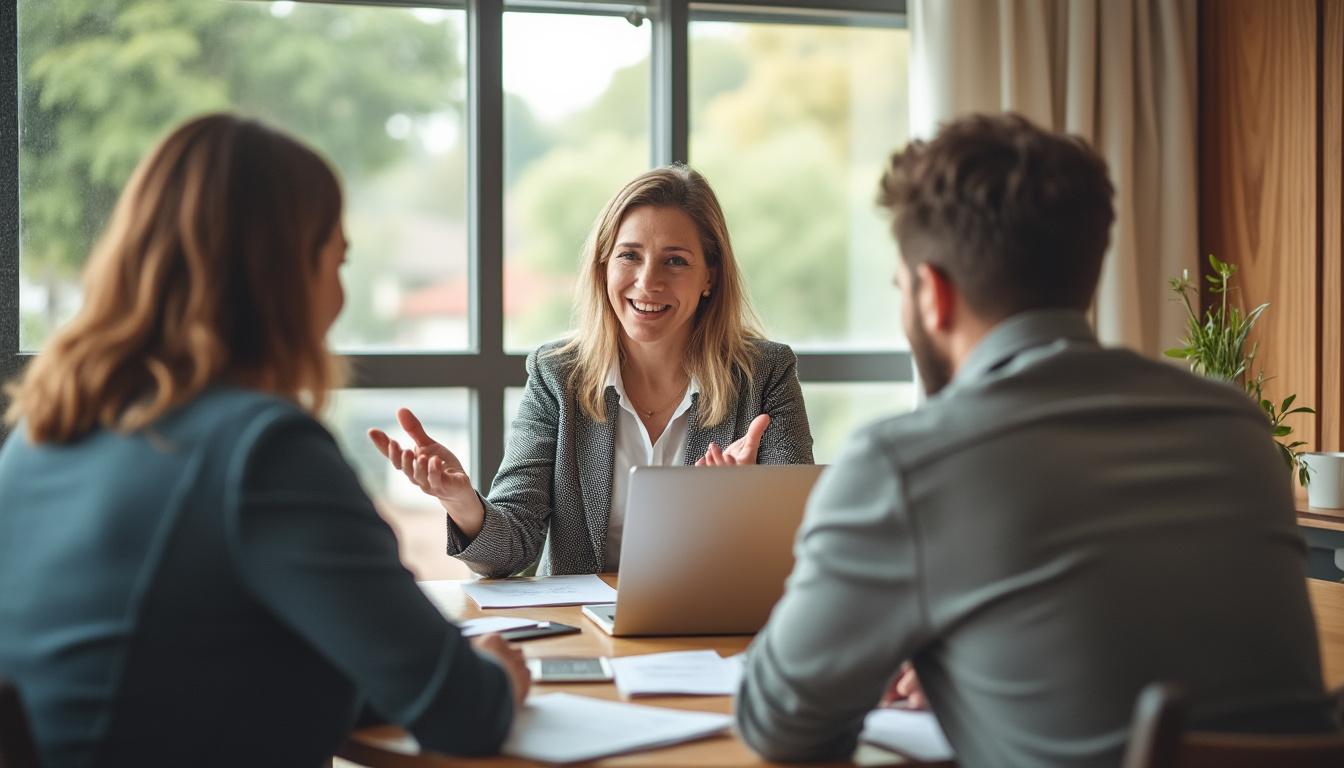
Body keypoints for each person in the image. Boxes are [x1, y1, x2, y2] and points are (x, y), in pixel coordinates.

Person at [734, 113, 1338, 767]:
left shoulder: (903, 464)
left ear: (933, 294)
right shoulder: (1236, 428)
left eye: (900, 287)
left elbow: (779, 724)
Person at [0, 114, 529, 767]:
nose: (338, 295)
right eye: (336, 261)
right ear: (280, 276)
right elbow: (463, 713)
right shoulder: (263, 452)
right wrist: (499, 673)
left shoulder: (42, 433)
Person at [369, 166, 814, 578]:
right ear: (603, 267)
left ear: (709, 277)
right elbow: (514, 545)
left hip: (713, 630)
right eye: (629, 256)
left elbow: (802, 549)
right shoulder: (557, 375)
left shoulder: (765, 374)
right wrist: (462, 503)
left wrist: (741, 509)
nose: (647, 281)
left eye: (675, 260)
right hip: (587, 636)